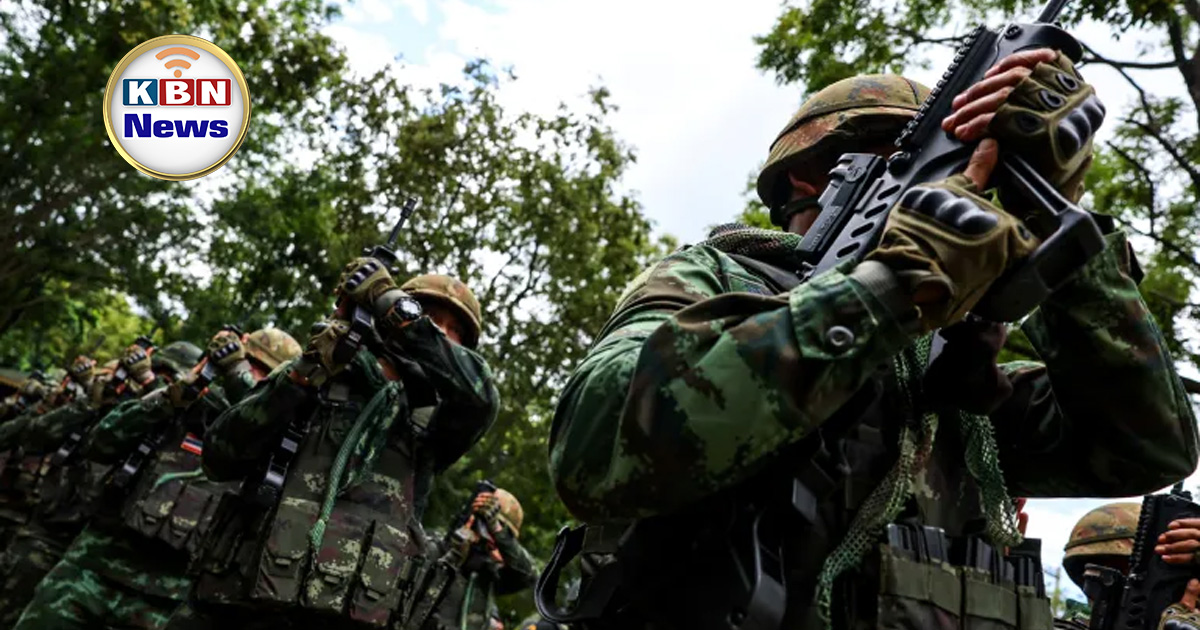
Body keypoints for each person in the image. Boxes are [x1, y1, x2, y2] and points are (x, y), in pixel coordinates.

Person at [544, 49, 1197, 629]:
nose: (968, 174)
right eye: (926, 155)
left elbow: (1148, 448)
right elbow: (593, 446)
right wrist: (886, 291)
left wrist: (1063, 236)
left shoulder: (953, 376)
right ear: (810, 177)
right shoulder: (720, 280)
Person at [176, 270, 499, 630]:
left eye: (454, 330)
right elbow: (219, 458)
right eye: (430, 315)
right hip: (233, 606)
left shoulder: (436, 419)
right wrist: (298, 380)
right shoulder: (323, 367)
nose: (439, 330)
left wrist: (391, 302)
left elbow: (482, 398)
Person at [11, 328, 301, 630]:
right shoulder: (181, 400)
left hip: (168, 601)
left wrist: (241, 385)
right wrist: (170, 397)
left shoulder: (275, 443)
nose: (248, 374)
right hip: (91, 567)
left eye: (261, 371)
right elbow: (100, 443)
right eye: (245, 363)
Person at [0, 341, 200, 628]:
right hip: (52, 538)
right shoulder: (116, 402)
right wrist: (88, 403)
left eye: (169, 379)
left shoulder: (182, 419)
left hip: (106, 558)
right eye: (155, 374)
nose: (158, 383)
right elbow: (34, 437)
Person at [426, 487, 538, 630]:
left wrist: (498, 531)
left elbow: (528, 574)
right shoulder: (435, 547)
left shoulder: (486, 575)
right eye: (485, 524)